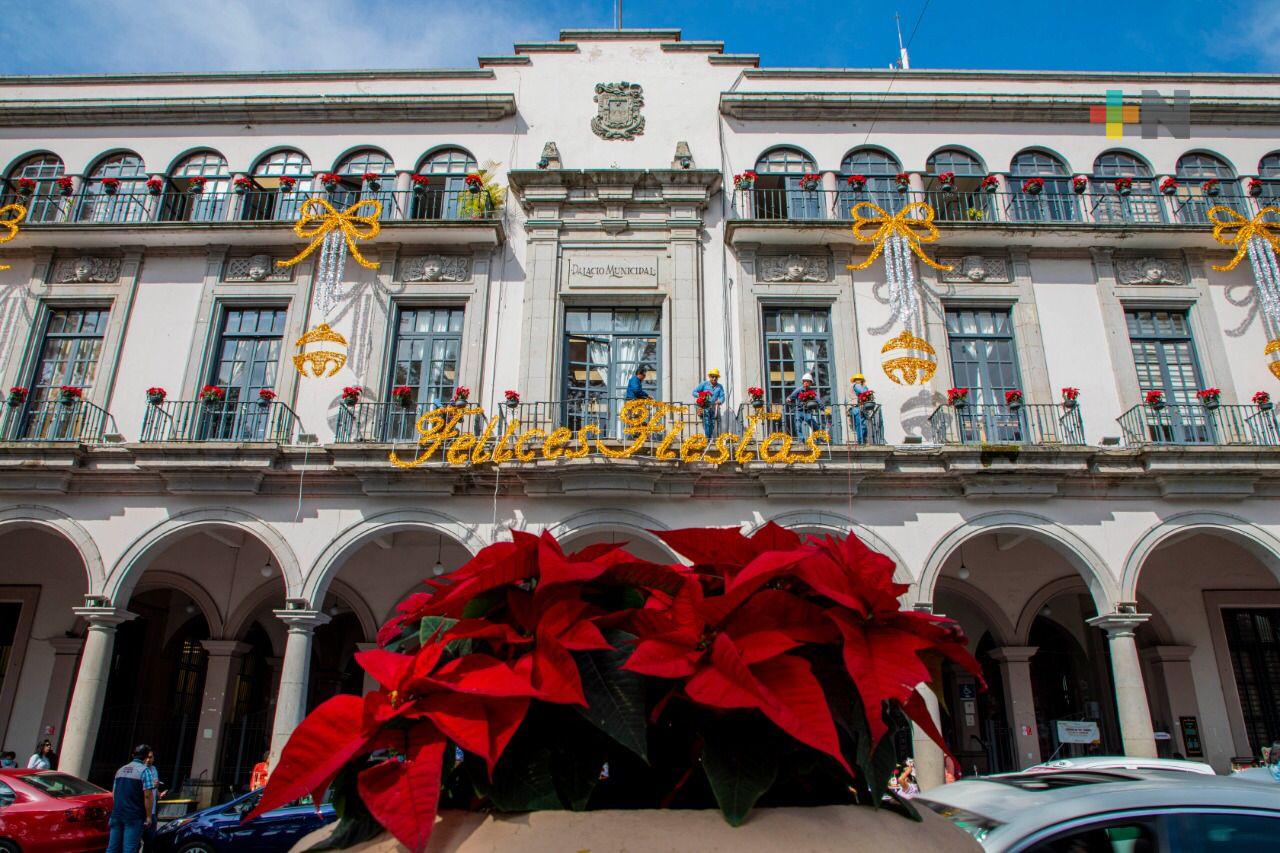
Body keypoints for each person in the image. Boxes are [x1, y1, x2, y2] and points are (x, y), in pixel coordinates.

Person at [106, 744, 157, 853]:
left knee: (112, 848)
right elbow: (148, 795)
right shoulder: (144, 771)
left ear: (133, 755)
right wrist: (148, 817)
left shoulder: (121, 770)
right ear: (144, 757)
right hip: (133, 816)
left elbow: (114, 794)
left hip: (117, 814)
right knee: (129, 849)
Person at [691, 368, 726, 440]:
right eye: (712, 376)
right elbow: (694, 392)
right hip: (705, 407)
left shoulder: (720, 387)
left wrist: (720, 401)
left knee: (712, 423)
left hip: (714, 407)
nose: (714, 378)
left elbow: (722, 397)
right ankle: (708, 438)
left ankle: (709, 437)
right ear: (709, 377)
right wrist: (702, 395)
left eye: (716, 377)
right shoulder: (704, 384)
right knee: (706, 422)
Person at [786, 373, 822, 439]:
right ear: (802, 382)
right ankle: (801, 440)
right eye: (804, 381)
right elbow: (791, 396)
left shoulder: (812, 392)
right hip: (799, 411)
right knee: (798, 426)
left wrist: (822, 407)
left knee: (814, 425)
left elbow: (818, 400)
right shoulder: (799, 390)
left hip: (807, 411)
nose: (805, 383)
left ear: (810, 383)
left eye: (807, 381)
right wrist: (789, 399)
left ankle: (818, 438)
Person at [848, 372, 870, 444]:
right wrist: (866, 388)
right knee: (861, 424)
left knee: (861, 425)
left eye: (860, 379)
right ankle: (861, 442)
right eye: (857, 379)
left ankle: (863, 440)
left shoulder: (855, 386)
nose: (859, 381)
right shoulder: (856, 385)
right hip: (856, 407)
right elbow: (863, 392)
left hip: (857, 407)